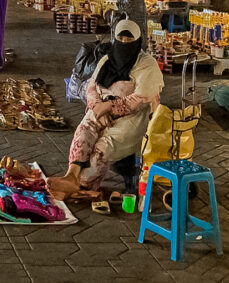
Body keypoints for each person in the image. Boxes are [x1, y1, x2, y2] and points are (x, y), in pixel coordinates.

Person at [47, 19, 163, 200]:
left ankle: (81, 186)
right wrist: (97, 107)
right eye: (120, 39)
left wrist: (109, 107)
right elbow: (91, 88)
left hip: (132, 118)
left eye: (129, 41)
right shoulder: (106, 60)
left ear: (138, 42)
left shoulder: (147, 64)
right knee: (85, 130)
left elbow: (140, 99)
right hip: (101, 110)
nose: (123, 44)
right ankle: (71, 176)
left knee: (102, 148)